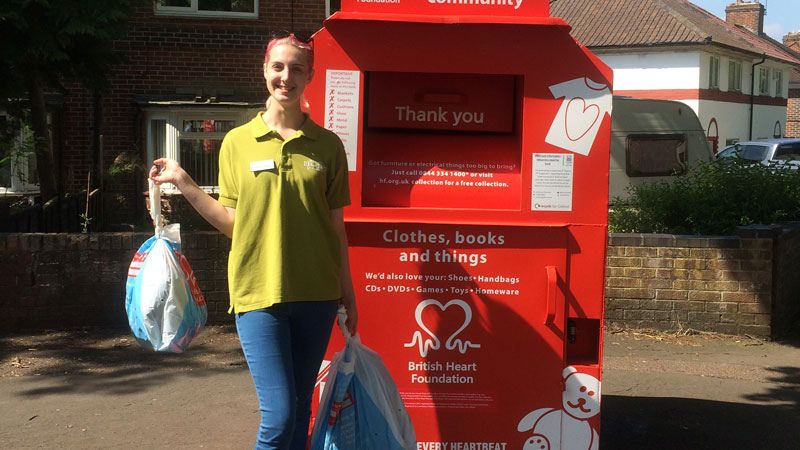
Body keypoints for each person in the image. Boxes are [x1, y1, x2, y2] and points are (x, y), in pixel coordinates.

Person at [149, 32, 357, 450]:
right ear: (265, 71)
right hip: (257, 293)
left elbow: (337, 228)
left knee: (301, 412)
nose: (286, 77)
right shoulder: (237, 142)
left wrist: (348, 295)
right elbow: (232, 222)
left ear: (310, 76)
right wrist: (184, 181)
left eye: (297, 68)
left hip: (316, 294)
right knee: (279, 416)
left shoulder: (329, 146)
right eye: (278, 67)